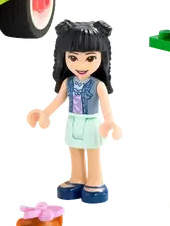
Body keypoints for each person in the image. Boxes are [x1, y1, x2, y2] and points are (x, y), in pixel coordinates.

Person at [26, 20, 121, 203]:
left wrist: (110, 123)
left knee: (93, 153)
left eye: (90, 58)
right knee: (75, 150)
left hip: (91, 123)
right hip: (73, 121)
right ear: (64, 56)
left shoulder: (98, 85)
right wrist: (44, 113)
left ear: (102, 57)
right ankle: (77, 178)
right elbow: (58, 100)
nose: (81, 64)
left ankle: (96, 180)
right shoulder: (68, 82)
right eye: (73, 57)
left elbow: (106, 107)